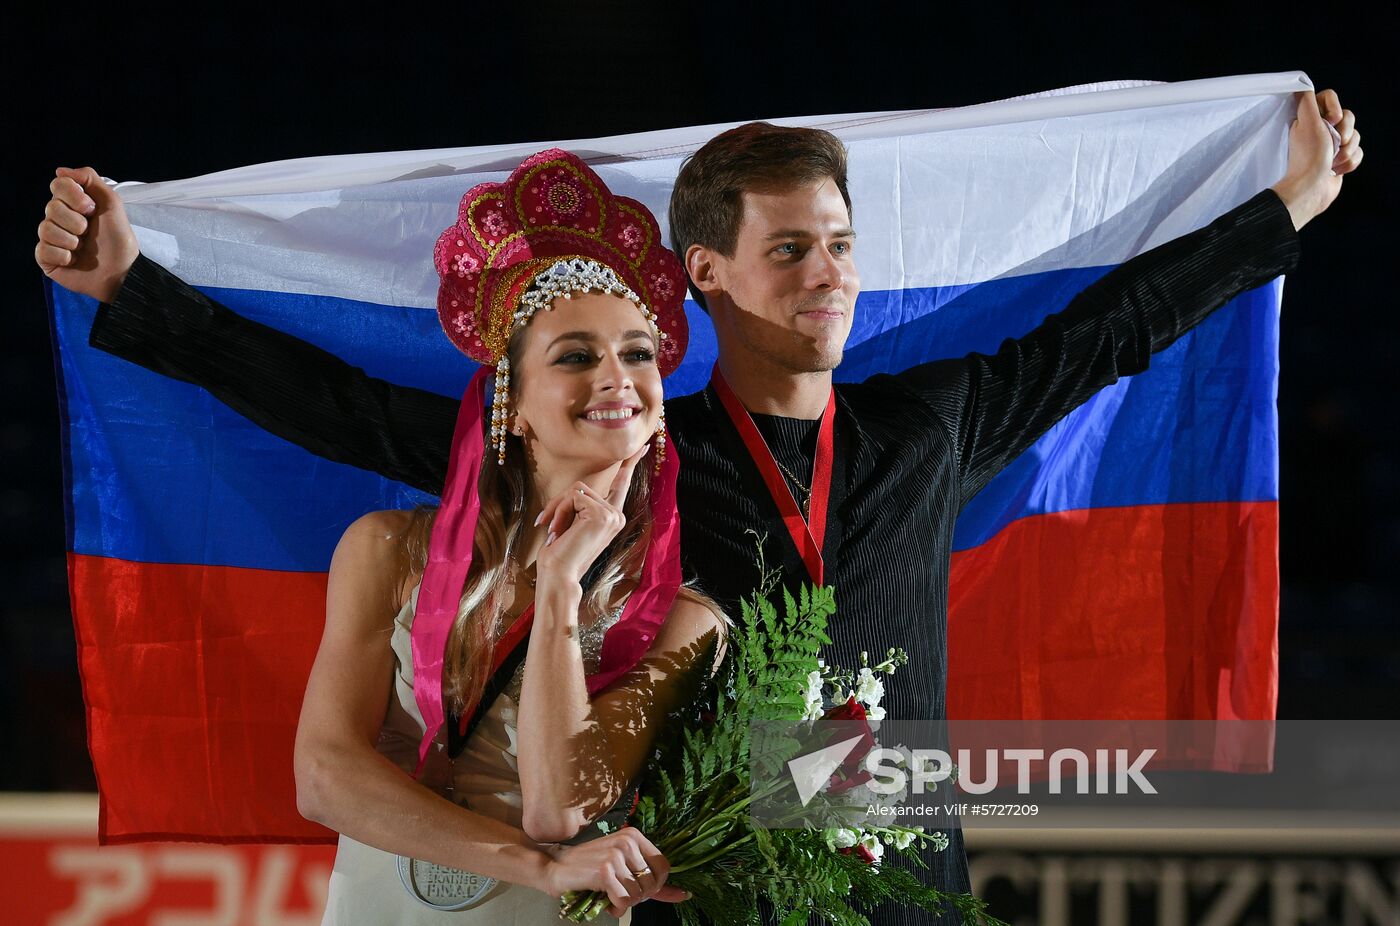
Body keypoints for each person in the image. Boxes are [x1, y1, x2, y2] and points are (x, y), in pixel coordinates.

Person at [36, 89, 1361, 926]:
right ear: (710, 276)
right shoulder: (637, 460)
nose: (828, 276)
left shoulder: (931, 420)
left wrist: (1284, 207)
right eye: (791, 250)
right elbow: (343, 410)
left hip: (913, 893)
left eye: (841, 245)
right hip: (706, 891)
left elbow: (1111, 330)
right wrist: (138, 296)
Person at [254, 151, 723, 922]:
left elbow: (558, 808)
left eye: (638, 354)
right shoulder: (389, 551)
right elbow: (323, 775)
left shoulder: (683, 618)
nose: (618, 377)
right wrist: (535, 868)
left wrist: (565, 586)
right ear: (511, 404)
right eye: (577, 357)